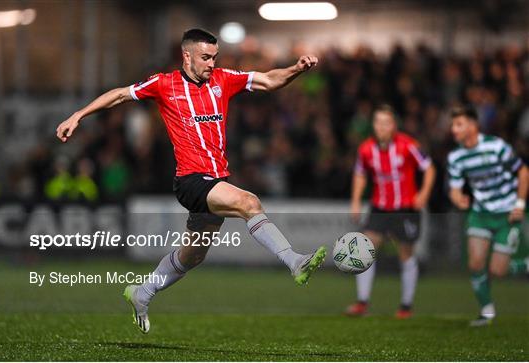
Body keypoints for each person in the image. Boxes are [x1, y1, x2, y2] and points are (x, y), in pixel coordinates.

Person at [56, 28, 326, 334]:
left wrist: (296, 69)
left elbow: (268, 80)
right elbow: (119, 94)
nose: (212, 63)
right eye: (205, 57)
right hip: (191, 181)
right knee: (249, 202)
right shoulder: (164, 84)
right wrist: (78, 115)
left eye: (215, 57)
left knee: (192, 255)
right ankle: (294, 262)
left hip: (216, 180)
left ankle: (142, 292)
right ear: (187, 56)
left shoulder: (224, 79)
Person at [346, 104, 436, 319]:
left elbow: (430, 168)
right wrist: (356, 201)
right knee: (365, 249)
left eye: (386, 123)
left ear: (394, 125)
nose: (381, 127)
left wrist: (423, 194)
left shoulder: (408, 145)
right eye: (377, 122)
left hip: (405, 208)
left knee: (406, 254)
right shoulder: (366, 149)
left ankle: (406, 305)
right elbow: (360, 174)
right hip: (380, 207)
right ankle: (362, 302)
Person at [447, 105, 528, 327]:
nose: (454, 129)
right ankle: (487, 312)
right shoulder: (456, 156)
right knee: (475, 264)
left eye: (459, 124)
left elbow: (523, 172)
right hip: (480, 214)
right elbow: (454, 188)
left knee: (497, 271)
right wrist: (458, 199)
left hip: (507, 213)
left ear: (473, 126)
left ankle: (524, 265)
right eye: (453, 125)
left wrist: (519, 204)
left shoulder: (496, 147)